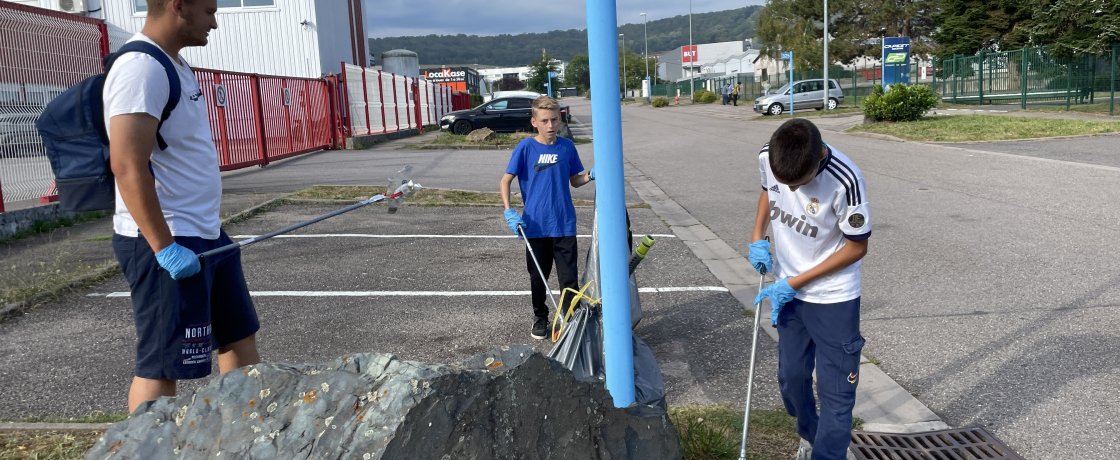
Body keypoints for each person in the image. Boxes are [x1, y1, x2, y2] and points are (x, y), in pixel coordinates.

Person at [107, 0, 260, 413]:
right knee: (162, 364)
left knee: (238, 335)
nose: (215, 21)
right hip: (167, 238)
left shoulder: (175, 65)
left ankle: (245, 434)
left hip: (205, 232)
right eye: (208, 10)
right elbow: (126, 164)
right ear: (178, 6)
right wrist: (165, 248)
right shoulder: (141, 68)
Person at [748, 118, 871, 460]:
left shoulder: (846, 180)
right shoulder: (769, 157)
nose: (788, 191)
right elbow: (766, 192)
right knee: (792, 378)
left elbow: (856, 247)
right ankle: (810, 435)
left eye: (797, 185)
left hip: (833, 297)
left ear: (819, 157)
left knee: (836, 393)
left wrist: (795, 282)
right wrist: (758, 237)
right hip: (790, 292)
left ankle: (829, 453)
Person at [500, 96, 594, 340]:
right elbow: (505, 180)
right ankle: (540, 318)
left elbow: (575, 180)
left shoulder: (566, 147)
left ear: (559, 119)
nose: (551, 125)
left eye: (554, 119)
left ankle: (569, 319)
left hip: (564, 224)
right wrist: (509, 211)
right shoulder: (525, 148)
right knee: (537, 277)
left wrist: (592, 175)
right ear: (535, 122)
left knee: (569, 280)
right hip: (535, 226)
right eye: (545, 121)